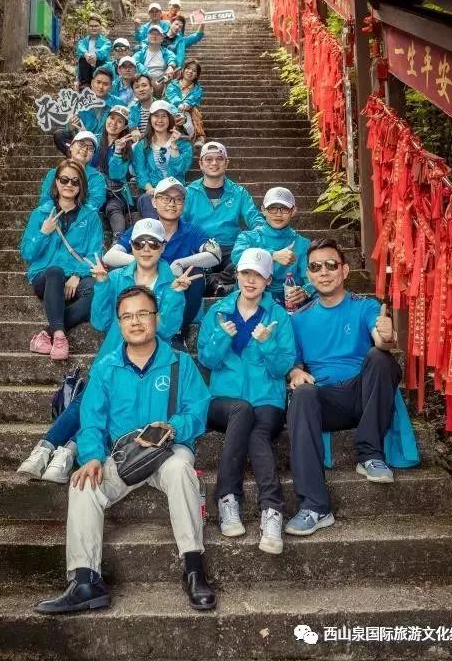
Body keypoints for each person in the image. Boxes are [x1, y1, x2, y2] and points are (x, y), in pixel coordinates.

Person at [34, 285, 216, 614]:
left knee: (179, 470)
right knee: (83, 484)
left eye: (142, 313)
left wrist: (173, 427)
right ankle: (86, 581)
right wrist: (90, 457)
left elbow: (198, 409)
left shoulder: (179, 363)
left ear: (156, 318)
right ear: (119, 323)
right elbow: (91, 421)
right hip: (122, 457)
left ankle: (193, 568)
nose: (135, 321)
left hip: (167, 451)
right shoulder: (105, 368)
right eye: (127, 316)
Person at [17, 218, 191, 485]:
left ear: (163, 246)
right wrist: (100, 285)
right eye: (139, 242)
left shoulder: (171, 282)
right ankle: (47, 449)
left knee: (98, 403)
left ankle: (64, 450)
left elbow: (166, 330)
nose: (146, 248)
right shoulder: (117, 277)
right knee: (89, 399)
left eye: (153, 243)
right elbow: (99, 322)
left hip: (147, 359)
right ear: (131, 246)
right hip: (113, 355)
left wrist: (177, 295)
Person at [285, 238, 419, 537]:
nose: (324, 272)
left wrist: (386, 336)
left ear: (345, 270)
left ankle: (370, 453)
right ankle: (315, 506)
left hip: (364, 393)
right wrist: (295, 373)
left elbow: (381, 337)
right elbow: (293, 364)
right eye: (316, 267)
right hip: (326, 400)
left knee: (381, 359)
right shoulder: (298, 319)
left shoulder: (364, 306)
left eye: (331, 265)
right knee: (301, 393)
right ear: (308, 275)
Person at [198, 249, 295, 556]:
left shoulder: (278, 316)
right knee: (242, 411)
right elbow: (207, 359)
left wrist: (267, 345)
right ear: (237, 275)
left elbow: (283, 367)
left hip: (267, 399)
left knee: (256, 429)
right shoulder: (218, 312)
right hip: (225, 400)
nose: (251, 280)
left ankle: (271, 512)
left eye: (258, 275)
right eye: (245, 274)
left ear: (268, 280)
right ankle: (228, 498)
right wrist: (222, 337)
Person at [104, 177, 221, 347]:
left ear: (184, 204)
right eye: (165, 198)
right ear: (154, 202)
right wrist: (148, 263)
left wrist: (181, 262)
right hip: (147, 289)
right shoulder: (143, 228)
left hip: (175, 292)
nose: (171, 204)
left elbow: (216, 254)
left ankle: (179, 331)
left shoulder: (191, 230)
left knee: (195, 274)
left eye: (178, 199)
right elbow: (109, 256)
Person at [20, 159, 103, 361]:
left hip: (77, 276)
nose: (69, 185)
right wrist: (43, 232)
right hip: (46, 276)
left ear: (81, 186)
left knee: (97, 292)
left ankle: (48, 332)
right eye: (64, 179)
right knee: (55, 271)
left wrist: (77, 274)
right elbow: (27, 253)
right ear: (56, 182)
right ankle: (60, 337)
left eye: (75, 181)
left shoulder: (90, 216)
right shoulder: (40, 214)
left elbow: (95, 253)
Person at [183, 141, 265, 295]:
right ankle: (217, 282)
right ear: (200, 164)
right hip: (200, 249)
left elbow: (255, 219)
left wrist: (258, 232)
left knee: (245, 259)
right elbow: (180, 223)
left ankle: (214, 280)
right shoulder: (189, 192)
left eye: (219, 158)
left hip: (231, 251)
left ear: (226, 163)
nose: (214, 163)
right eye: (208, 159)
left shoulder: (239, 192)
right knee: (191, 266)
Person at [231, 187, 311, 308]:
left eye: (284, 208)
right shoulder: (248, 237)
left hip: (289, 301)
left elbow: (313, 278)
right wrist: (272, 255)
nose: (278, 214)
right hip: (251, 297)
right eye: (272, 208)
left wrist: (306, 291)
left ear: (293, 211)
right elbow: (237, 256)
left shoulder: (303, 244)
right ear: (263, 210)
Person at [132, 101, 193, 218]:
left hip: (176, 188)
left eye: (164, 116)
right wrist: (151, 189)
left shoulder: (184, 144)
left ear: (170, 119)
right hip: (154, 190)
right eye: (156, 116)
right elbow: (140, 172)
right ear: (150, 119)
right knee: (146, 199)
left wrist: (174, 146)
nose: (159, 120)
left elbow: (181, 169)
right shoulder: (142, 146)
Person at [53, 65, 115, 157]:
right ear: (92, 83)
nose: (101, 87)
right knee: (59, 135)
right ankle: (75, 159)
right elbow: (69, 128)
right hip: (83, 141)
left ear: (111, 87)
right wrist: (70, 125)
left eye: (105, 84)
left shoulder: (117, 103)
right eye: (98, 82)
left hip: (105, 143)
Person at [39, 131, 107, 211]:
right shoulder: (53, 174)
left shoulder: (97, 178)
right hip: (54, 217)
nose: (85, 149)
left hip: (84, 220)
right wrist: (55, 216)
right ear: (71, 147)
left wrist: (71, 214)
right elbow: (46, 200)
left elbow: (94, 203)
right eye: (81, 144)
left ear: (92, 155)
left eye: (91, 148)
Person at [95, 107, 134, 242]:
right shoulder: (95, 141)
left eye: (120, 121)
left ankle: (118, 239)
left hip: (116, 192)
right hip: (96, 189)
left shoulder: (126, 148)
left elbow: (116, 174)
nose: (114, 123)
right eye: (112, 118)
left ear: (124, 127)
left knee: (113, 207)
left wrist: (117, 152)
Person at [164, 60, 206, 144]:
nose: (190, 71)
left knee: (194, 110)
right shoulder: (173, 84)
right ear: (183, 70)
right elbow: (172, 96)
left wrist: (186, 104)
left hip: (188, 111)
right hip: (173, 110)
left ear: (197, 75)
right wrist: (179, 104)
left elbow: (194, 98)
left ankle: (198, 136)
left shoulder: (197, 89)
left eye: (194, 71)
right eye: (188, 68)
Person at [133, 26, 177, 94]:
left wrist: (170, 66)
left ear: (162, 38)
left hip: (162, 80)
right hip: (145, 80)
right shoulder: (142, 52)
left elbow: (172, 58)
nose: (154, 36)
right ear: (147, 37)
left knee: (169, 76)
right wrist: (147, 75)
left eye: (157, 34)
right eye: (152, 33)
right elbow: (134, 61)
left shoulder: (166, 52)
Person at [74, 15, 112, 88]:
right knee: (82, 59)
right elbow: (80, 50)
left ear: (100, 27)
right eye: (91, 26)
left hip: (101, 72)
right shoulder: (83, 42)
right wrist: (77, 79)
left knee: (99, 59)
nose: (93, 28)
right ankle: (86, 84)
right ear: (88, 27)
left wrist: (95, 56)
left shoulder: (106, 42)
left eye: (96, 26)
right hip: (86, 74)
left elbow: (103, 52)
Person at [128, 74, 155, 141]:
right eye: (137, 87)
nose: (141, 89)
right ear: (134, 93)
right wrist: (133, 129)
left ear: (151, 89)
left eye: (144, 85)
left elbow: (177, 115)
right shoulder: (132, 110)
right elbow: (130, 122)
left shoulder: (162, 106)